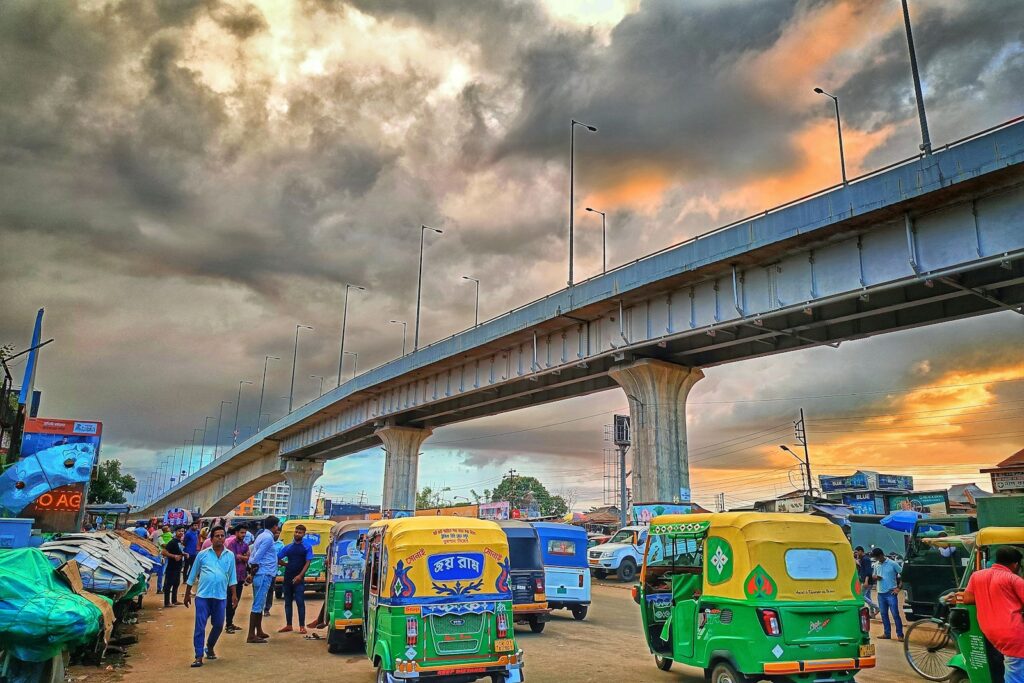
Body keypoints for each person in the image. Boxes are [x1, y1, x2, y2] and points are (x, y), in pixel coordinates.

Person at [958, 546, 1024, 682]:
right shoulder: (1014, 579)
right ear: (1015, 564)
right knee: (1015, 673)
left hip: (990, 632)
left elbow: (967, 598)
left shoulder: (977, 576)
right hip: (1013, 633)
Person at [184, 526, 237, 668]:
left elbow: (232, 576)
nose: (220, 538)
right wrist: (187, 593)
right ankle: (198, 656)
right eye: (217, 536)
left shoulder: (229, 555)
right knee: (200, 626)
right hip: (203, 596)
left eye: (222, 535)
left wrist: (234, 594)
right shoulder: (203, 555)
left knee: (219, 624)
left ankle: (210, 646)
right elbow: (193, 574)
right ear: (211, 538)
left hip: (220, 596)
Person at [246, 515, 280, 644]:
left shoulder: (262, 536)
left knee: (259, 603)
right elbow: (257, 556)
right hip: (264, 573)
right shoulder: (268, 538)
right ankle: (251, 635)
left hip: (264, 572)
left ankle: (258, 630)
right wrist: (253, 565)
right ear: (275, 526)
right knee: (258, 604)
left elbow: (254, 552)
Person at [276, 524, 313, 634]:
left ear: (304, 534)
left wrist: (300, 575)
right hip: (288, 578)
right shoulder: (288, 547)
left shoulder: (306, 547)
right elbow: (277, 558)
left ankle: (302, 626)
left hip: (299, 579)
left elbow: (308, 562)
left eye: (300, 532)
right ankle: (289, 625)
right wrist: (286, 565)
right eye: (296, 531)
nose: (297, 534)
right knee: (287, 602)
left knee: (300, 602)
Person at [871, 547, 904, 641]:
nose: (876, 560)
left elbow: (903, 575)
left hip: (891, 592)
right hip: (880, 593)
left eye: (877, 558)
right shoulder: (876, 564)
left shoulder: (893, 564)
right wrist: (875, 577)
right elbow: (874, 575)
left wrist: (898, 588)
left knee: (895, 614)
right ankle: (887, 633)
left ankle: (900, 634)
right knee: (884, 614)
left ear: (881, 555)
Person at [224, 525, 250, 634]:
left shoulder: (245, 545)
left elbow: (248, 556)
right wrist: (242, 557)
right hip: (231, 577)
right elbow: (232, 557)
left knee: (236, 600)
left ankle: (230, 622)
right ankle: (228, 624)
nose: (243, 535)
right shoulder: (232, 544)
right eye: (241, 533)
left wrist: (242, 557)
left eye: (245, 533)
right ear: (236, 533)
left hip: (241, 576)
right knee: (231, 600)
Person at [162, 527, 186, 607]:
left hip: (178, 566)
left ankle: (174, 600)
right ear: (175, 532)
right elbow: (164, 552)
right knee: (169, 584)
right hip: (171, 567)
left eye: (182, 531)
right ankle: (167, 602)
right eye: (179, 531)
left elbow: (179, 551)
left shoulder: (180, 542)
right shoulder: (172, 542)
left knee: (176, 583)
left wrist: (184, 554)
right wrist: (174, 556)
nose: (181, 533)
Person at [854, 546, 878, 616]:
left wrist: (866, 581)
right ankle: (872, 612)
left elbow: (868, 571)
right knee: (867, 596)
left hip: (867, 581)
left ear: (861, 551)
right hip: (864, 580)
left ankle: (876, 607)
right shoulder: (862, 559)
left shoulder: (866, 559)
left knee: (861, 596)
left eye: (857, 552)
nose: (856, 554)